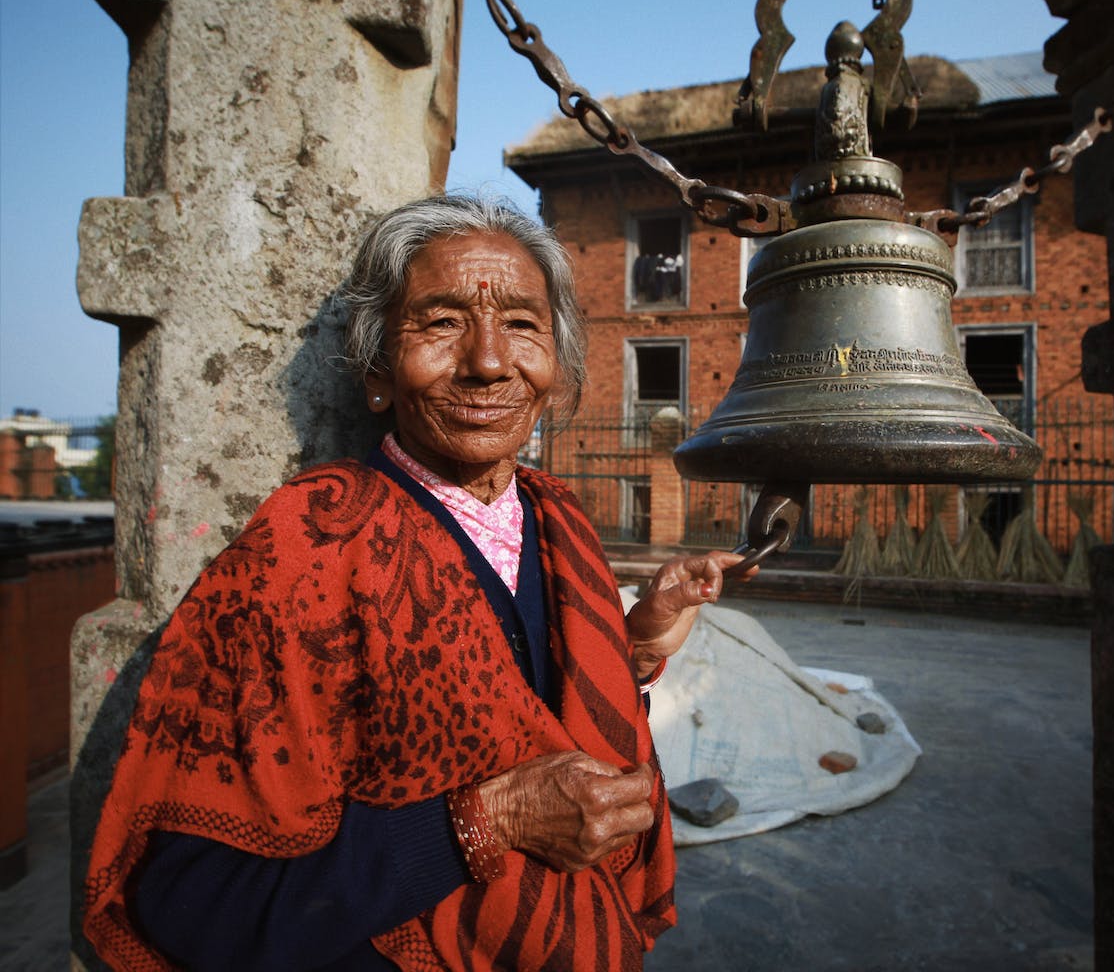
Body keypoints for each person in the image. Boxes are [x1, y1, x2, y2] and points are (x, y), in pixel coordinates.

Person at [83, 194, 749, 971]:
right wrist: (483, 821)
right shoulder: (308, 548)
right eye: (441, 323)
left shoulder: (559, 523)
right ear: (375, 370)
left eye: (524, 327)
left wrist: (626, 652)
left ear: (558, 373)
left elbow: (532, 705)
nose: (489, 361)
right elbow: (187, 901)